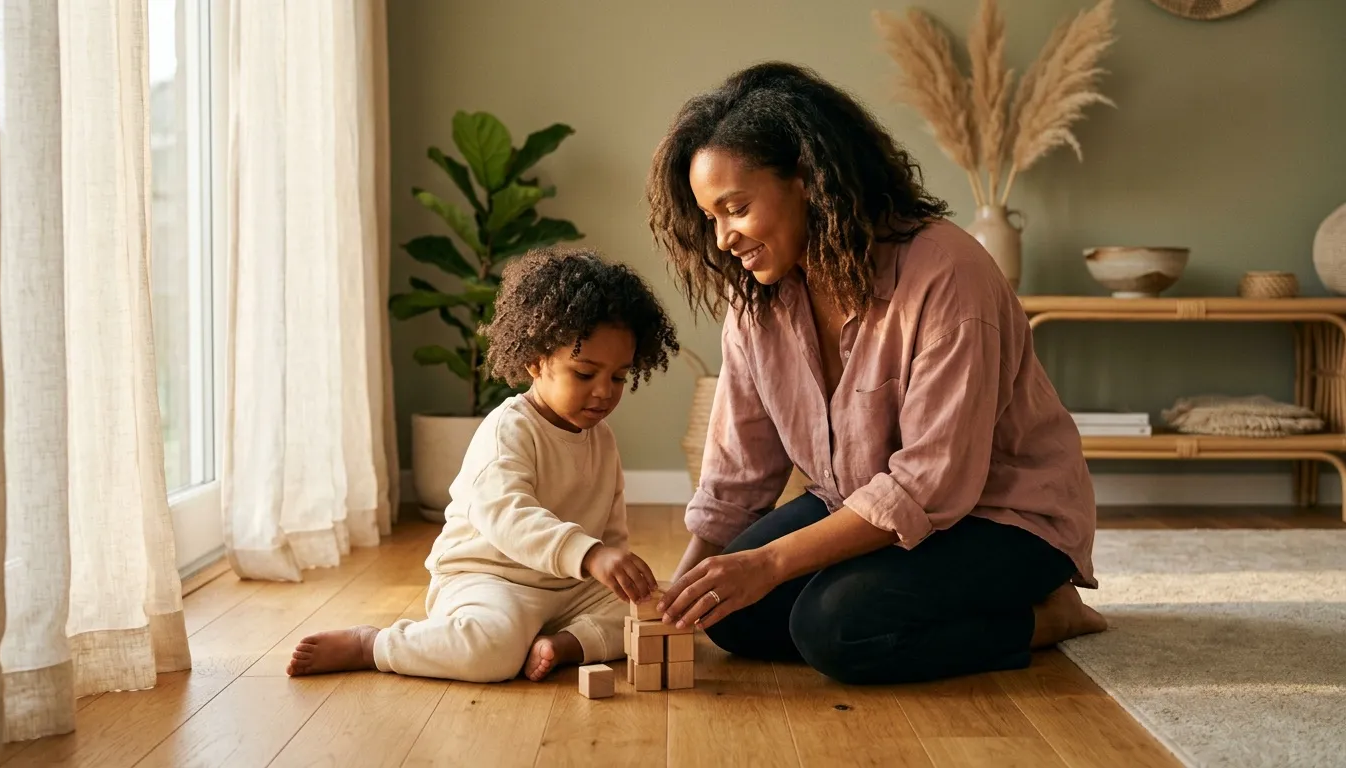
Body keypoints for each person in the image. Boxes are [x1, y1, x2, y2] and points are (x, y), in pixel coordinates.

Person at [644, 61, 1108, 685]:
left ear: (805, 180)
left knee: (836, 627)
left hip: (1001, 517)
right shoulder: (758, 299)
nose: (723, 237)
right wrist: (683, 597)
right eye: (711, 218)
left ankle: (1048, 617)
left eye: (736, 208)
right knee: (730, 616)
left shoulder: (948, 274)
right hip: (860, 505)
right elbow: (740, 473)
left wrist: (770, 564)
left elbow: (932, 486)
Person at [287, 247, 680, 682]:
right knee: (492, 651)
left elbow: (609, 528)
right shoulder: (508, 429)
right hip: (491, 582)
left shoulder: (601, 439)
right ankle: (376, 645)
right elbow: (507, 515)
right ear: (536, 360)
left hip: (567, 588)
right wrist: (590, 555)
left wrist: (617, 569)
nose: (605, 392)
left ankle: (564, 645)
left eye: (619, 377)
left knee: (658, 609)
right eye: (585, 374)